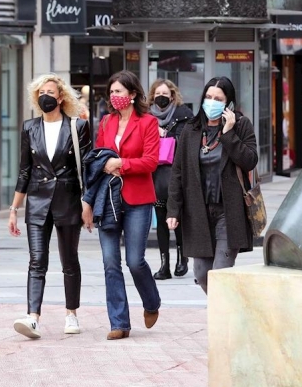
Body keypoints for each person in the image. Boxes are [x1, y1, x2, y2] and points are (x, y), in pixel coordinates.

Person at [8, 74, 92, 339]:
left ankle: (71, 314)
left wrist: (87, 204)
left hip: (68, 200)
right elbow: (25, 170)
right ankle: (33, 318)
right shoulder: (29, 127)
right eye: (41, 91)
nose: (46, 95)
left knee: (69, 261)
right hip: (37, 202)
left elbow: (87, 170)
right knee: (37, 261)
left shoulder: (77, 126)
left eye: (51, 91)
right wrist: (14, 209)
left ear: (61, 97)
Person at [166, 76, 258, 294]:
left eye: (218, 98)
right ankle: (227, 312)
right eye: (208, 97)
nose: (212, 102)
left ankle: (223, 324)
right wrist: (173, 210)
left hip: (229, 211)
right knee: (201, 274)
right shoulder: (192, 129)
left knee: (221, 273)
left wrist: (229, 133)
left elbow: (250, 160)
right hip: (198, 212)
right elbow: (178, 171)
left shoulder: (241, 125)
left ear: (228, 103)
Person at [90, 70, 161, 340]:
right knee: (110, 262)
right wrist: (88, 202)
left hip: (137, 199)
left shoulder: (148, 123)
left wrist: (121, 164)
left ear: (132, 95)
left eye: (118, 91)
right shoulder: (106, 122)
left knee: (134, 260)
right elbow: (97, 158)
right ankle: (119, 323)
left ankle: (151, 301)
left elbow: (151, 161)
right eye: (111, 92)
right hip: (107, 199)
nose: (114, 96)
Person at [146, 79, 193, 280]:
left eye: (165, 93)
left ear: (172, 95)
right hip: (156, 175)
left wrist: (166, 135)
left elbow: (189, 142)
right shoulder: (147, 118)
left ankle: (182, 258)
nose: (161, 97)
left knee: (178, 218)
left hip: (178, 174)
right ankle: (164, 264)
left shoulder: (184, 115)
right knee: (161, 217)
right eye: (157, 94)